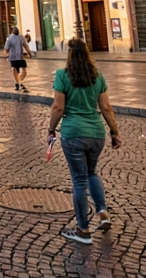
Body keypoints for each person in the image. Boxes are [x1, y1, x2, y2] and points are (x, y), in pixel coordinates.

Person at [47, 39, 122, 245]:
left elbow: (58, 108)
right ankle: (103, 213)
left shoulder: (62, 76)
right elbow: (106, 107)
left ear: (69, 54)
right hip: (96, 133)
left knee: (79, 180)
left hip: (73, 133)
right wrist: (114, 132)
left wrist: (51, 129)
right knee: (92, 173)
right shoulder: (97, 76)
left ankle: (82, 229)